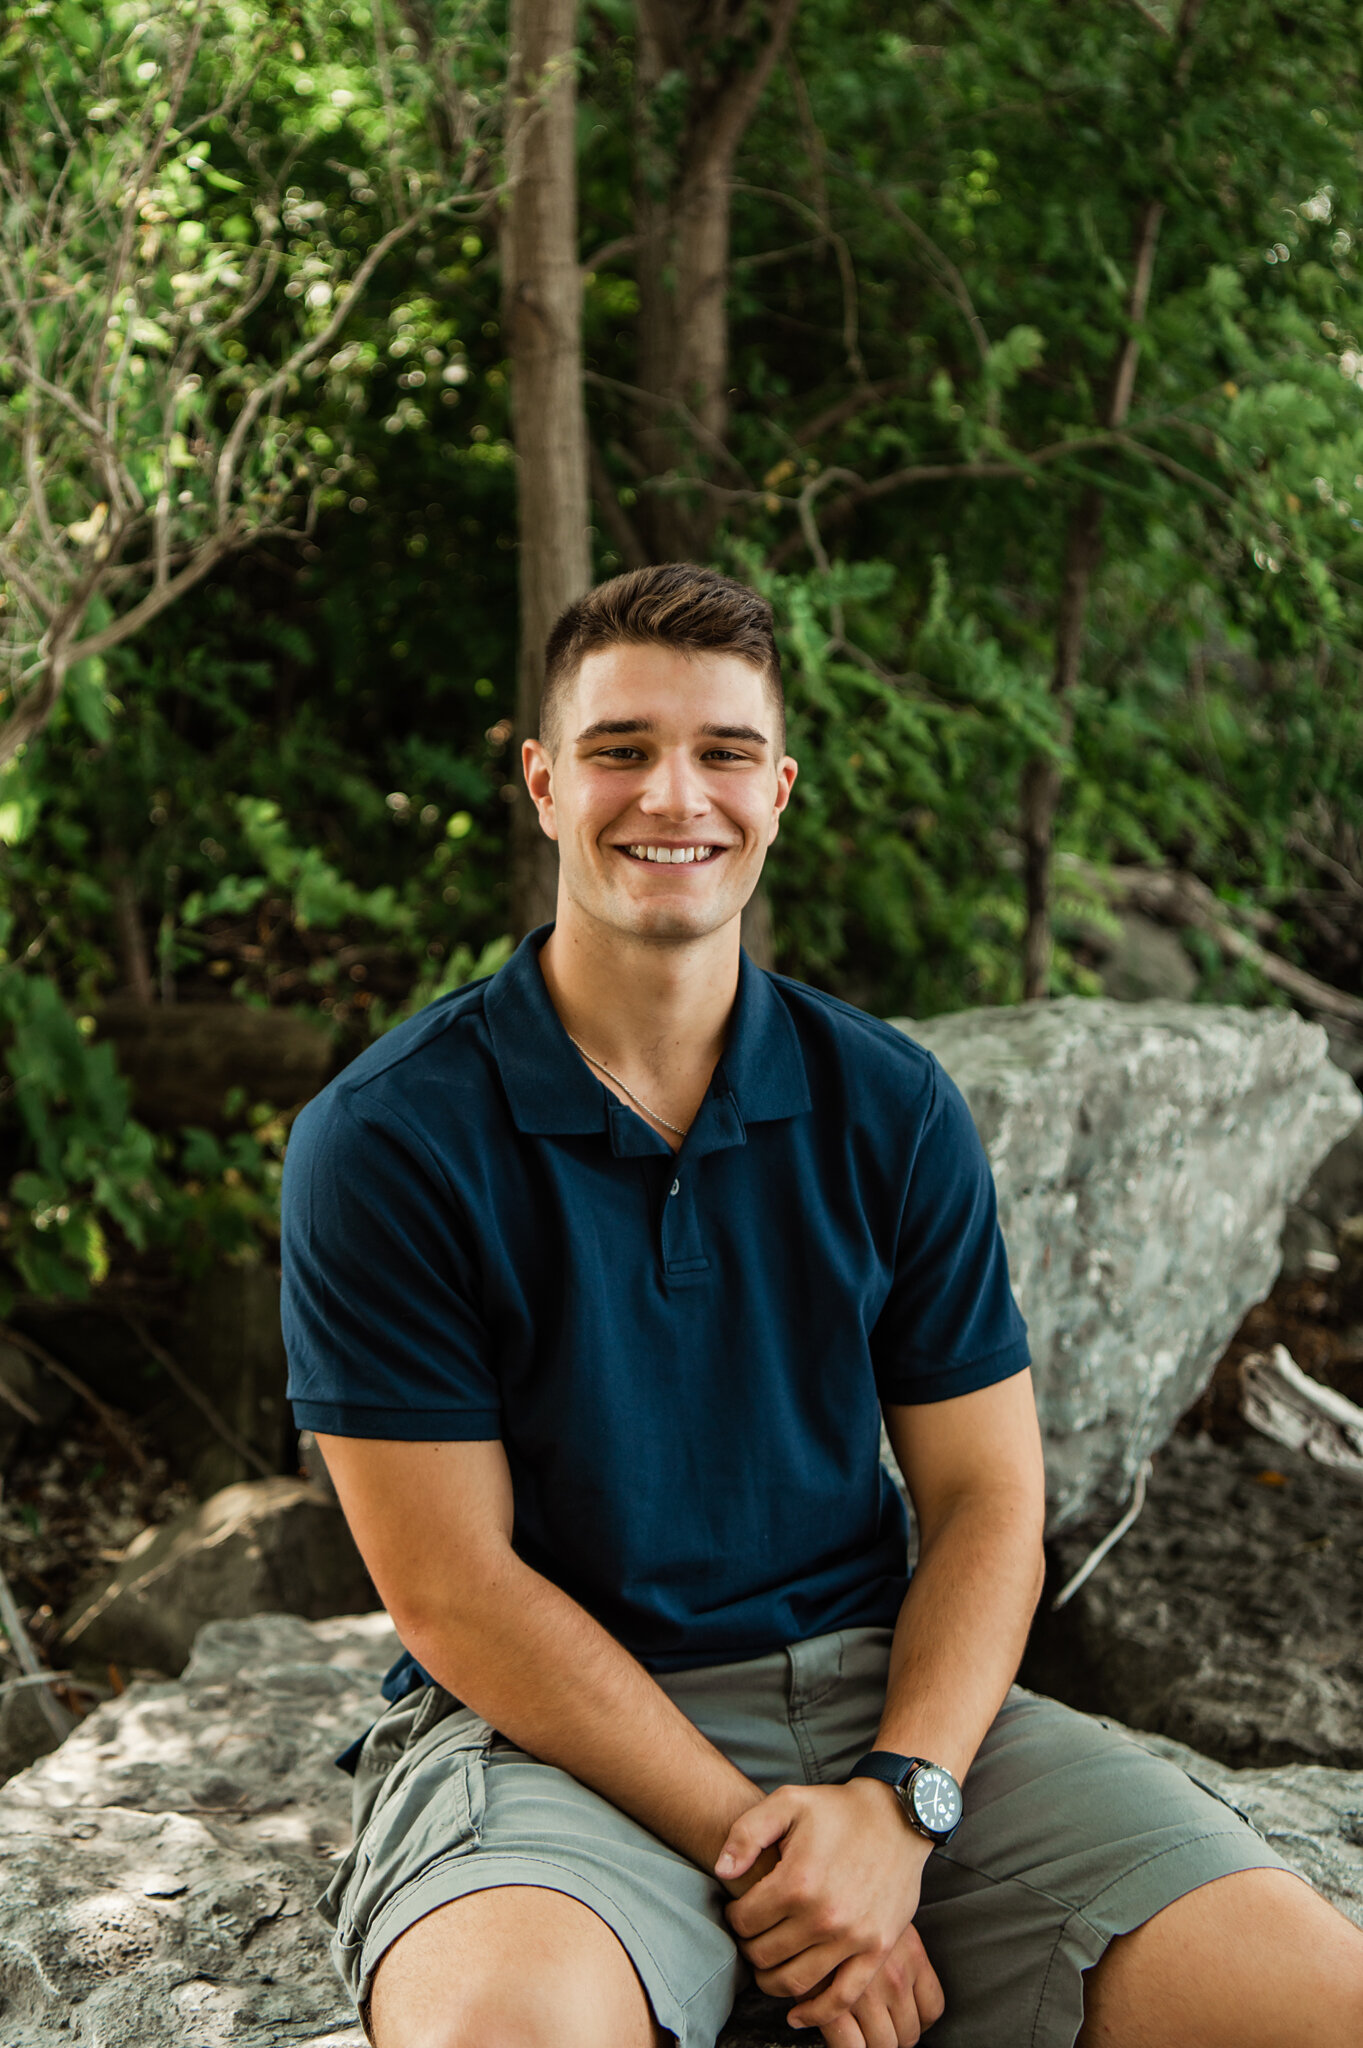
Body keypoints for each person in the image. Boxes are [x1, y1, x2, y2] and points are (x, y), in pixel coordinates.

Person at [281, 564, 1363, 2048]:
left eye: (725, 752)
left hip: (881, 1715)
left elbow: (989, 1501)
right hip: (546, 1744)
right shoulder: (388, 1138)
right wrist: (795, 1868)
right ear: (543, 783)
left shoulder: (891, 1106)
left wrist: (899, 1809)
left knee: (1322, 2005)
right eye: (621, 750)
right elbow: (454, 1592)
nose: (677, 793)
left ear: (778, 791)